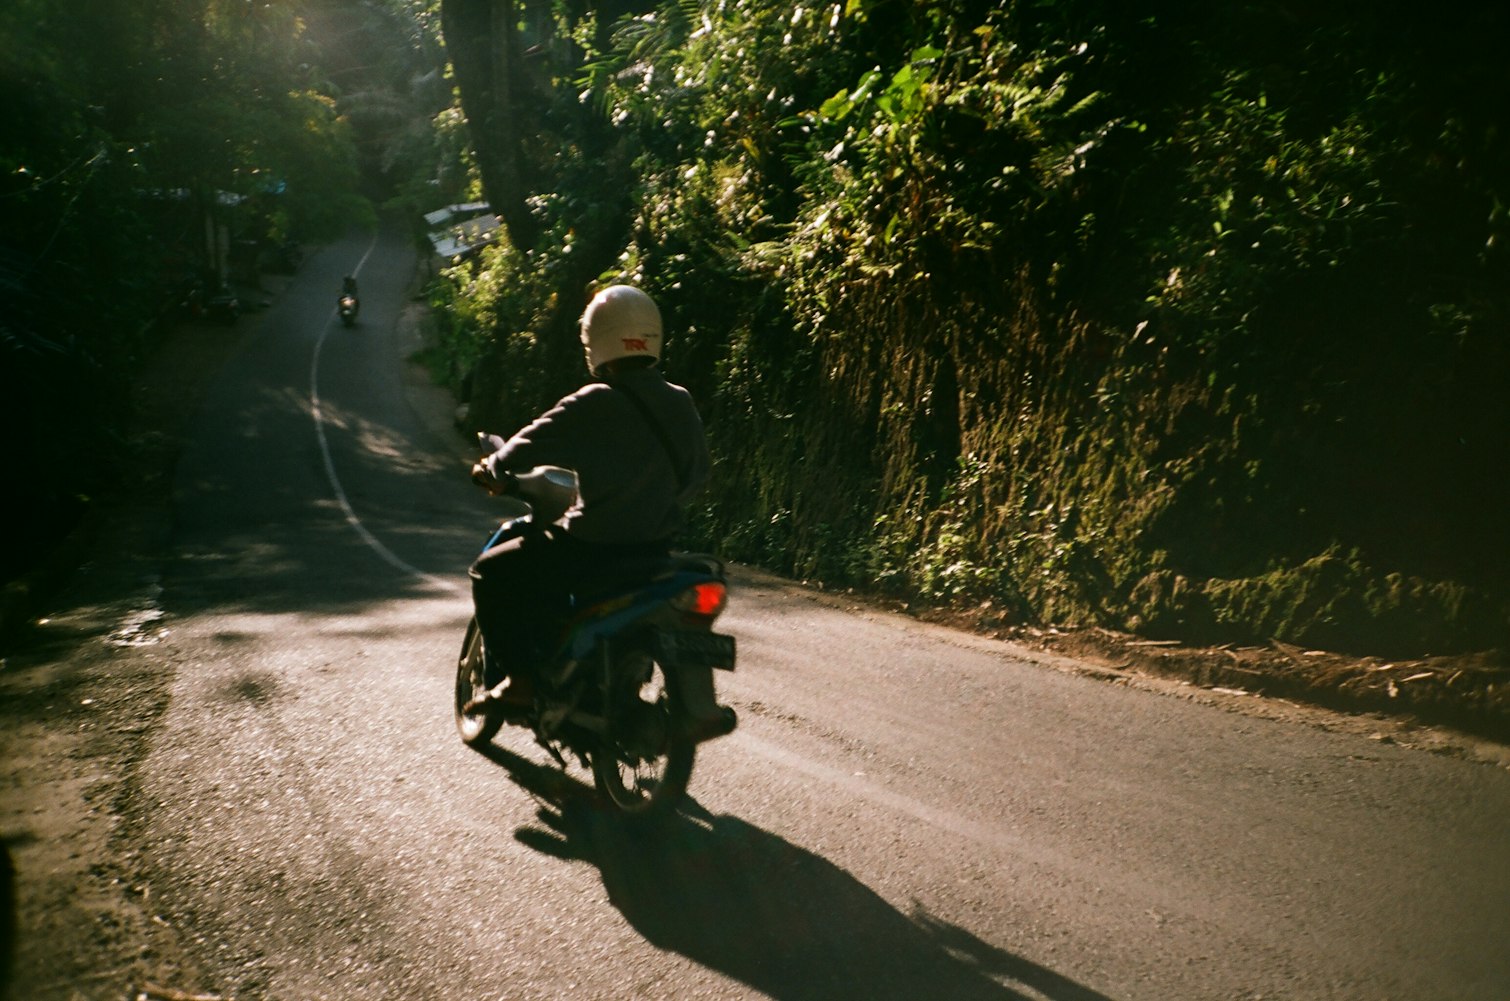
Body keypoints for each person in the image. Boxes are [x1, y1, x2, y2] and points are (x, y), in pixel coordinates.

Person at [465, 284, 711, 711]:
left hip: (589, 554)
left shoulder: (594, 401)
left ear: (595, 340)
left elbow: (528, 443)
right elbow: (697, 477)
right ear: (652, 335)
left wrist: (494, 467)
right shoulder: (680, 400)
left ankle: (519, 681)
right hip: (654, 554)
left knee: (491, 572)